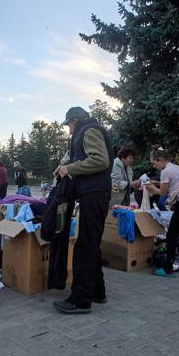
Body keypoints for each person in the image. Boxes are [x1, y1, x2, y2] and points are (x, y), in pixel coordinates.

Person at [53, 106, 114, 314]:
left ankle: (80, 300)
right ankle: (97, 291)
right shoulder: (89, 130)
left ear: (75, 120)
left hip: (94, 193)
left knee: (85, 245)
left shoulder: (89, 131)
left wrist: (69, 168)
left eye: (68, 125)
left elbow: (99, 160)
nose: (68, 130)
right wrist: (66, 165)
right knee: (91, 243)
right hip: (95, 193)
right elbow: (89, 158)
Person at [145, 147, 179, 276]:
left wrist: (152, 187)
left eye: (154, 163)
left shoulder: (165, 171)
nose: (154, 166)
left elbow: (162, 192)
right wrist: (157, 182)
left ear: (160, 160)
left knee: (172, 235)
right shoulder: (176, 167)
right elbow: (170, 183)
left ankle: (167, 269)